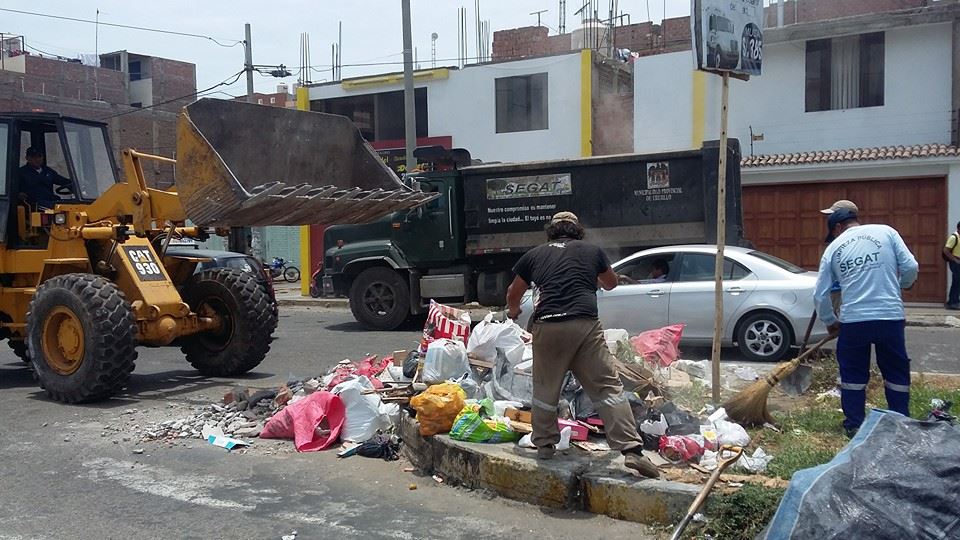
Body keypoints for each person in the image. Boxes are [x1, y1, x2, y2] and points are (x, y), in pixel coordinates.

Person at [505, 211, 659, 478]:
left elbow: (513, 292)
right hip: (585, 325)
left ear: (551, 231)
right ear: (578, 230)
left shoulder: (534, 254)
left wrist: (513, 311)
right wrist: (592, 276)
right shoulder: (592, 251)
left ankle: (544, 446)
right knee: (607, 387)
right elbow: (610, 284)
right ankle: (631, 450)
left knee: (545, 389)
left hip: (549, 325)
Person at [813, 207, 919, 437]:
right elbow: (911, 267)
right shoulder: (887, 232)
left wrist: (830, 321)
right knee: (895, 371)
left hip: (854, 321)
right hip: (889, 317)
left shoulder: (833, 249)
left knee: (852, 375)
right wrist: (902, 285)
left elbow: (820, 295)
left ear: (838, 228)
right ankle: (899, 420)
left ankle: (854, 425)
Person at [942, 221, 960, 310]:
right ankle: (953, 302)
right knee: (957, 282)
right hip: (956, 262)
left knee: (957, 282)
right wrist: (954, 259)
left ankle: (953, 301)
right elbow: (946, 250)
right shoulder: (954, 237)